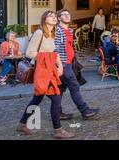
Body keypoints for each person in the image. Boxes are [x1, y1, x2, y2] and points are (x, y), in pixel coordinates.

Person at [17, 10, 74, 139]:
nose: (54, 17)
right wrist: (49, 58)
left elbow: (55, 52)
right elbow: (30, 53)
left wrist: (59, 64)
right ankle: (58, 130)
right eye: (50, 16)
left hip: (50, 70)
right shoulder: (39, 33)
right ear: (44, 19)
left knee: (37, 98)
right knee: (56, 98)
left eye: (55, 16)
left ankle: (22, 124)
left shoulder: (53, 34)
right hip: (42, 71)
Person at [56, 9, 99, 121]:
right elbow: (56, 49)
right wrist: (60, 64)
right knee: (74, 87)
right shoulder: (58, 31)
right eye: (64, 14)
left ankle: (58, 113)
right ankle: (85, 111)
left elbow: (69, 47)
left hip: (69, 64)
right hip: (64, 65)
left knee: (60, 89)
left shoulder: (69, 31)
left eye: (68, 14)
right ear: (59, 18)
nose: (67, 16)